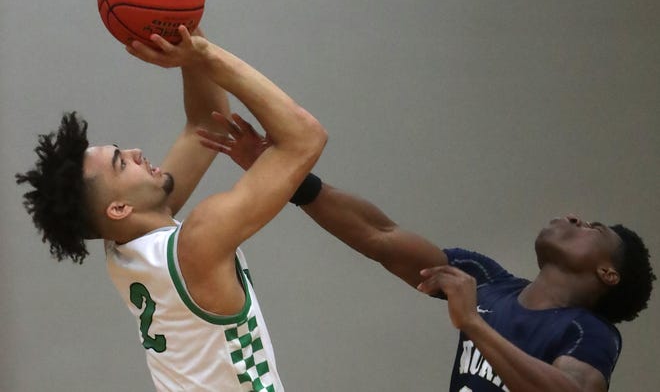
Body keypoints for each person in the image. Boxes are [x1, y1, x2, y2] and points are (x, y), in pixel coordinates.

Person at [198, 113, 656, 392]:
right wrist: (284, 178)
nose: (576, 218)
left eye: (593, 228)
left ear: (607, 273)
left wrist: (474, 324)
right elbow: (379, 235)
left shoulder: (590, 332)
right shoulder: (487, 283)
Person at [16, 26, 327, 391]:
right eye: (121, 162)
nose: (134, 152)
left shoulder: (123, 242)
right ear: (118, 207)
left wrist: (186, 33)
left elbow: (207, 124)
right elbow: (305, 137)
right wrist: (206, 55)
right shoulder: (198, 243)